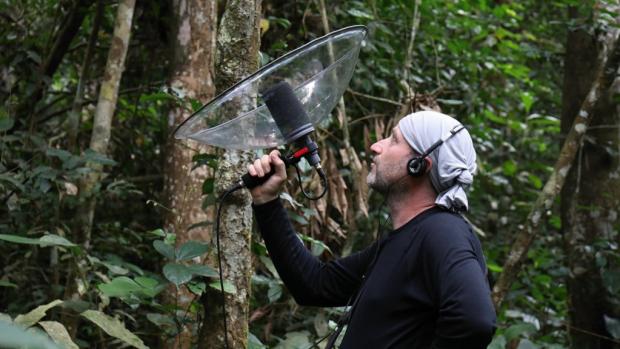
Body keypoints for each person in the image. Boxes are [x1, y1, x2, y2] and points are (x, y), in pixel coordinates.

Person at [247, 110, 496, 348]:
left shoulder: (443, 232)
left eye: (394, 140)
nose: (377, 146)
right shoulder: (403, 240)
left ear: (419, 164)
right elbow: (314, 284)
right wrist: (266, 200)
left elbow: (475, 321)